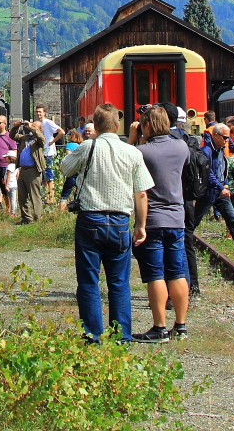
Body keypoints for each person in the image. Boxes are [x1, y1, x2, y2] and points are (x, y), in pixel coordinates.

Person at [61, 103, 153, 345]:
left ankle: (93, 334)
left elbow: (65, 169)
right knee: (119, 282)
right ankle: (122, 335)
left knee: (89, 280)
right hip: (121, 221)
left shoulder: (87, 147)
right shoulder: (133, 152)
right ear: (116, 125)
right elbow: (141, 194)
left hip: (90, 219)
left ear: (96, 124)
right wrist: (140, 225)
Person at [131, 105, 191, 341]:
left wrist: (134, 139)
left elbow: (127, 165)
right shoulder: (181, 147)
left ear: (147, 125)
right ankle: (181, 325)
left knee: (155, 274)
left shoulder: (142, 152)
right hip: (177, 218)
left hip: (153, 219)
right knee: (176, 272)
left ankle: (159, 327)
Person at [203, 123, 234, 252]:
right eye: (225, 137)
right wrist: (221, 186)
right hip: (208, 192)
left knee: (232, 219)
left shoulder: (221, 150)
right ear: (216, 136)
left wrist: (226, 183)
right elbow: (208, 173)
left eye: (228, 138)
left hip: (220, 191)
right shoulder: (206, 151)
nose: (227, 140)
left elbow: (223, 169)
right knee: (194, 220)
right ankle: (185, 242)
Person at [14, 121, 48, 223]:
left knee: (34, 195)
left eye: (35, 127)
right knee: (22, 196)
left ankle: (38, 217)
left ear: (40, 130)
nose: (31, 128)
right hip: (23, 170)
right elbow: (13, 136)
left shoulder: (39, 140)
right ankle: (26, 218)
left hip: (33, 170)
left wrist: (32, 128)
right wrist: (16, 127)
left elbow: (42, 138)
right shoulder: (26, 138)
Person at [35, 106, 62, 202]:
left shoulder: (48, 122)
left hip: (48, 153)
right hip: (42, 153)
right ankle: (46, 197)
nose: (38, 114)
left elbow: (61, 132)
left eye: (40, 112)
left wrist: (52, 142)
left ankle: (52, 198)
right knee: (43, 177)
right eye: (37, 112)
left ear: (44, 113)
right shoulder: (39, 123)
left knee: (49, 177)